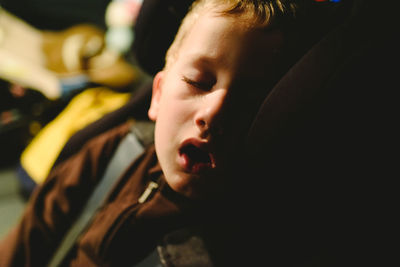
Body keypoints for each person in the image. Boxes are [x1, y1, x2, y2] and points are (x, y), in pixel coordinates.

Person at [0, 0, 352, 266]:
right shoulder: (114, 151)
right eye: (198, 81)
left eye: (250, 103)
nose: (214, 112)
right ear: (157, 94)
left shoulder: (241, 245)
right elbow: (25, 244)